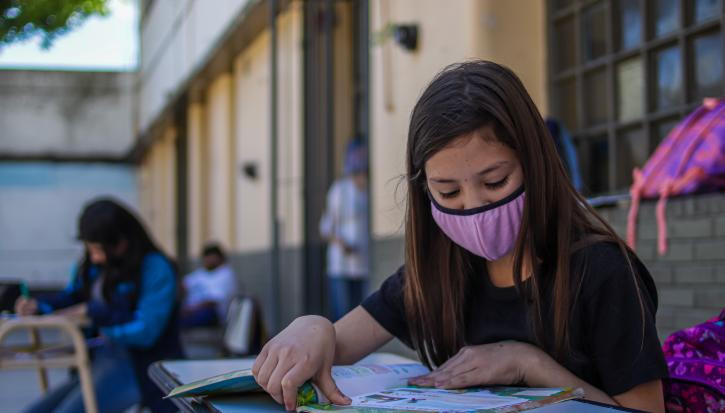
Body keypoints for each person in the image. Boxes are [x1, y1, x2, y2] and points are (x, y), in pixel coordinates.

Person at [252, 61, 669, 412]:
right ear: (424, 191)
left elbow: (645, 410)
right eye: (448, 192)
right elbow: (336, 343)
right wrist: (312, 327)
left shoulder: (603, 272)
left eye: (496, 181)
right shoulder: (437, 272)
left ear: (536, 162)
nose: (474, 208)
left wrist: (528, 365)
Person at [15, 198, 183, 413]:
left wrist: (93, 313)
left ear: (122, 241)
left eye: (98, 249)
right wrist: (39, 305)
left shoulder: (155, 268)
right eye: (90, 249)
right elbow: (73, 296)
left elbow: (146, 330)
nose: (94, 258)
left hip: (137, 368)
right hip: (97, 362)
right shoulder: (93, 268)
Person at [319, 138, 370, 321]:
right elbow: (326, 228)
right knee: (342, 316)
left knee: (362, 317)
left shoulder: (369, 191)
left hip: (364, 264)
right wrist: (342, 244)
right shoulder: (340, 190)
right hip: (341, 265)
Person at [180, 243, 238, 328]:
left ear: (219, 258)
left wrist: (191, 309)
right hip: (191, 311)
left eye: (212, 257)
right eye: (206, 257)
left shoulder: (226, 273)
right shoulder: (201, 272)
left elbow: (213, 301)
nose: (208, 260)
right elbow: (184, 284)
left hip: (212, 314)